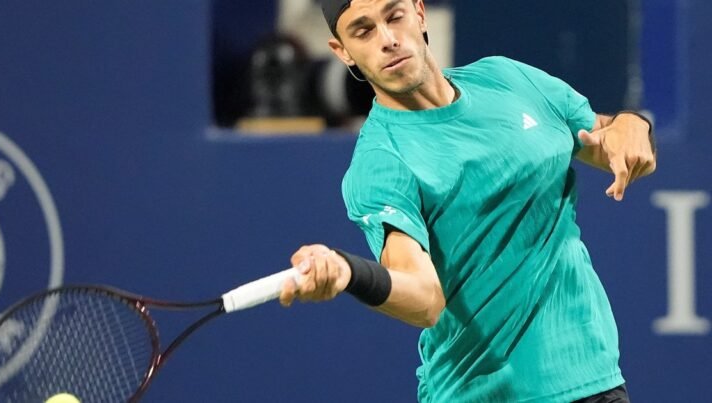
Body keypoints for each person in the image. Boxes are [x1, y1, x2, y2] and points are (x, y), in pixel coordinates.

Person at [279, 0, 656, 401]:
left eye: (394, 16)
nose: (388, 40)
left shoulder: (508, 78)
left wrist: (633, 125)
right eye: (363, 30)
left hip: (594, 380)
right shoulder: (381, 162)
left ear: (419, 13)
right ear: (342, 51)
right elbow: (424, 299)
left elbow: (607, 136)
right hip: (483, 394)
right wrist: (348, 273)